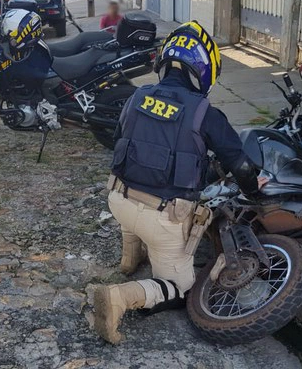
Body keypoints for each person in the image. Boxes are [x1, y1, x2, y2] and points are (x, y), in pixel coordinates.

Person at [92, 21, 265, 344]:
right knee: (181, 289)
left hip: (118, 200)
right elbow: (240, 165)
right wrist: (254, 192)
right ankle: (121, 297)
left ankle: (130, 257)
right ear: (204, 68)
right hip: (161, 220)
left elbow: (120, 143)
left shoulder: (137, 96)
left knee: (137, 183)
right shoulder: (204, 112)